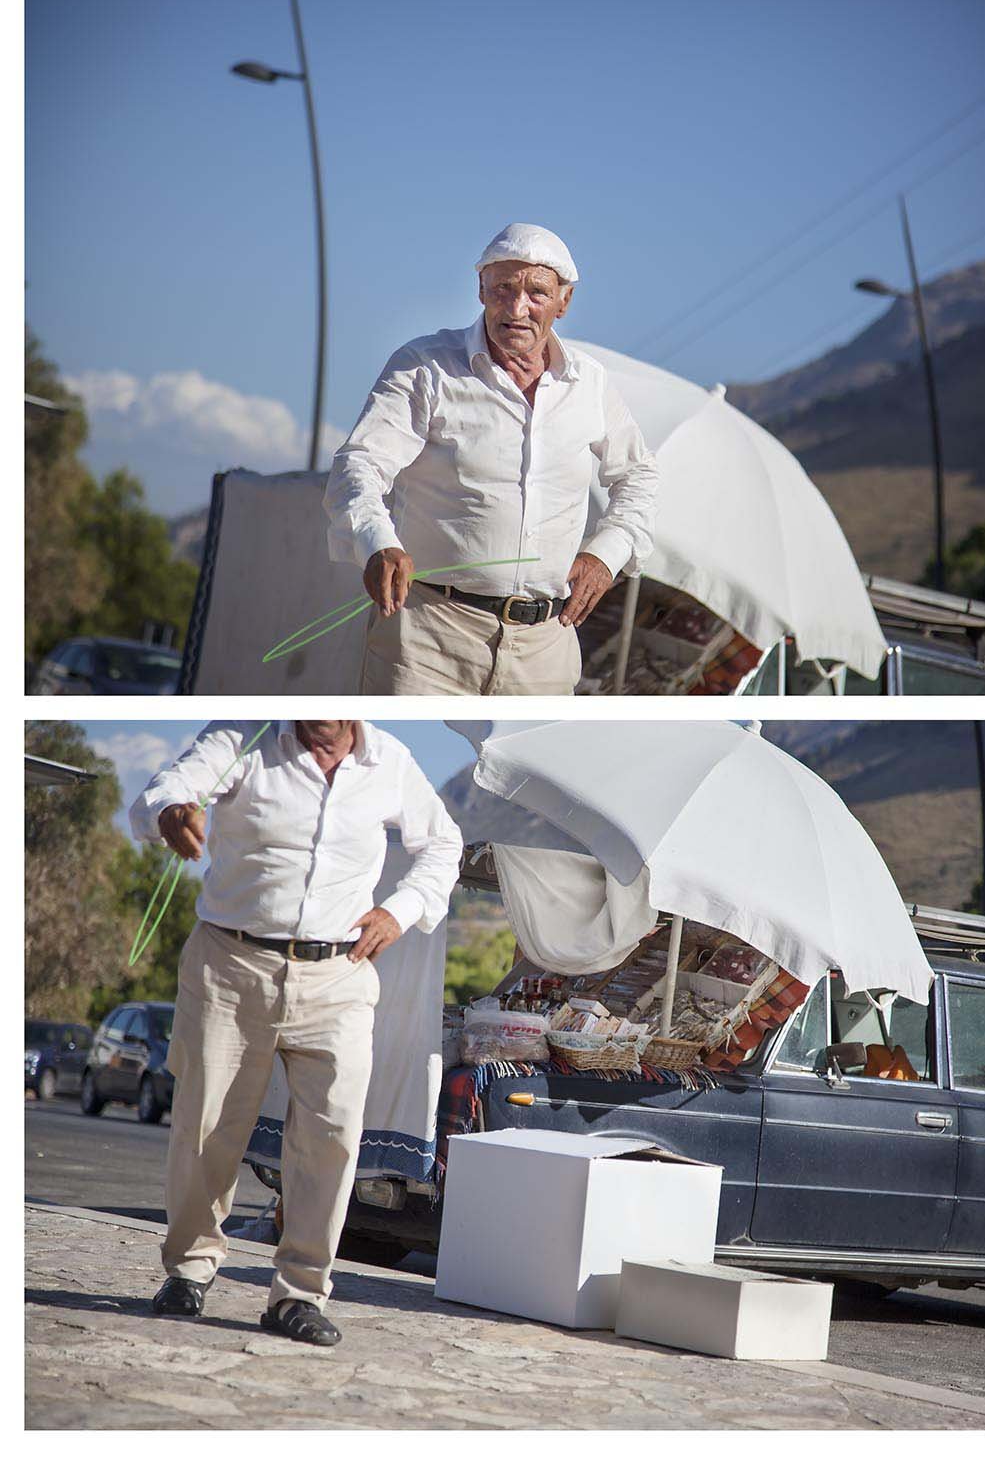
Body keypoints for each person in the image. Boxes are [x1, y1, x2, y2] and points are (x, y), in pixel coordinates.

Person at [129, 720, 463, 1346]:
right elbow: (168, 789)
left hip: (340, 974)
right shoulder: (244, 739)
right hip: (232, 963)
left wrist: (403, 908)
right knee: (207, 1125)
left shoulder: (390, 759)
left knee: (333, 1137)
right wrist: (171, 812)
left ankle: (298, 1295)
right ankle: (190, 1271)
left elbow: (443, 844)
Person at [324, 222, 658, 695]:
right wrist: (378, 542)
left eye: (537, 293)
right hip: (427, 636)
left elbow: (639, 475)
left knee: (533, 771)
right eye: (503, 288)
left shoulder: (591, 384)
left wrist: (606, 556)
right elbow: (360, 463)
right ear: (481, 290)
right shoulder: (426, 366)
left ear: (564, 302)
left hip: (546, 644)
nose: (517, 308)